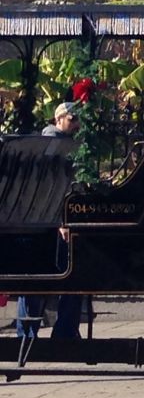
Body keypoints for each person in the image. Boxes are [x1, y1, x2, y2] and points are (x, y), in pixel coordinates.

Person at [15, 103, 83, 342]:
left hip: (54, 222)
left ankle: (39, 332)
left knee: (65, 277)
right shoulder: (51, 147)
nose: (76, 124)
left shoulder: (71, 148)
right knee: (40, 280)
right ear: (59, 119)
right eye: (73, 119)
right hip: (47, 223)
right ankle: (48, 331)